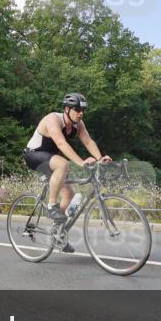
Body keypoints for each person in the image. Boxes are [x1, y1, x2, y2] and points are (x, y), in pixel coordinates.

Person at [23, 92, 111, 252]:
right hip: (33, 155)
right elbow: (61, 144)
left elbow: (88, 141)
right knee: (63, 164)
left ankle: (57, 234)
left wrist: (100, 158)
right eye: (76, 109)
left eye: (82, 110)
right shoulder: (53, 119)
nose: (80, 113)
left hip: (50, 159)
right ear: (66, 109)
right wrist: (81, 162)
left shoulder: (79, 125)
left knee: (69, 194)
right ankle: (51, 206)